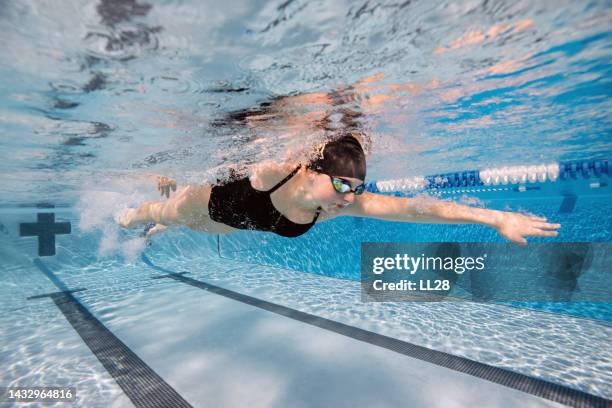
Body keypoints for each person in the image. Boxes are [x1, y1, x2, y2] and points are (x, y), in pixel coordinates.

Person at [119, 132, 560, 245]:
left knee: (189, 229)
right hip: (202, 204)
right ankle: (134, 219)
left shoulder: (334, 207)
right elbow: (216, 157)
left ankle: (159, 230)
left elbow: (414, 210)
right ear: (312, 170)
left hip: (229, 228)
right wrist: (169, 170)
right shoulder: (275, 170)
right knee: (154, 215)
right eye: (343, 184)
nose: (351, 197)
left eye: (356, 188)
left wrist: (496, 217)